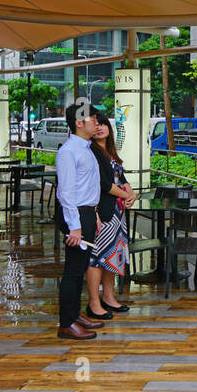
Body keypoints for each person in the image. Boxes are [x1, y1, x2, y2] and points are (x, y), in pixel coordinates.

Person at [55, 102, 103, 340]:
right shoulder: (68, 151)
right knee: (73, 271)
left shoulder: (86, 148)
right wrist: (74, 226)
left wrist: (93, 214)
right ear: (78, 122)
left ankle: (75, 315)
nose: (97, 122)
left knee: (81, 267)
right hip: (74, 216)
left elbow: (87, 187)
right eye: (92, 118)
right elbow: (66, 192)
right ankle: (66, 323)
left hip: (85, 213)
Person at [86, 111, 134, 319]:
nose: (99, 127)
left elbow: (121, 177)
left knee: (112, 255)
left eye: (103, 124)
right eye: (95, 124)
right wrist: (124, 194)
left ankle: (108, 297)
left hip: (117, 213)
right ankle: (94, 303)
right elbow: (104, 185)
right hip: (101, 212)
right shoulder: (92, 152)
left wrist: (131, 193)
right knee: (97, 257)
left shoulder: (111, 153)